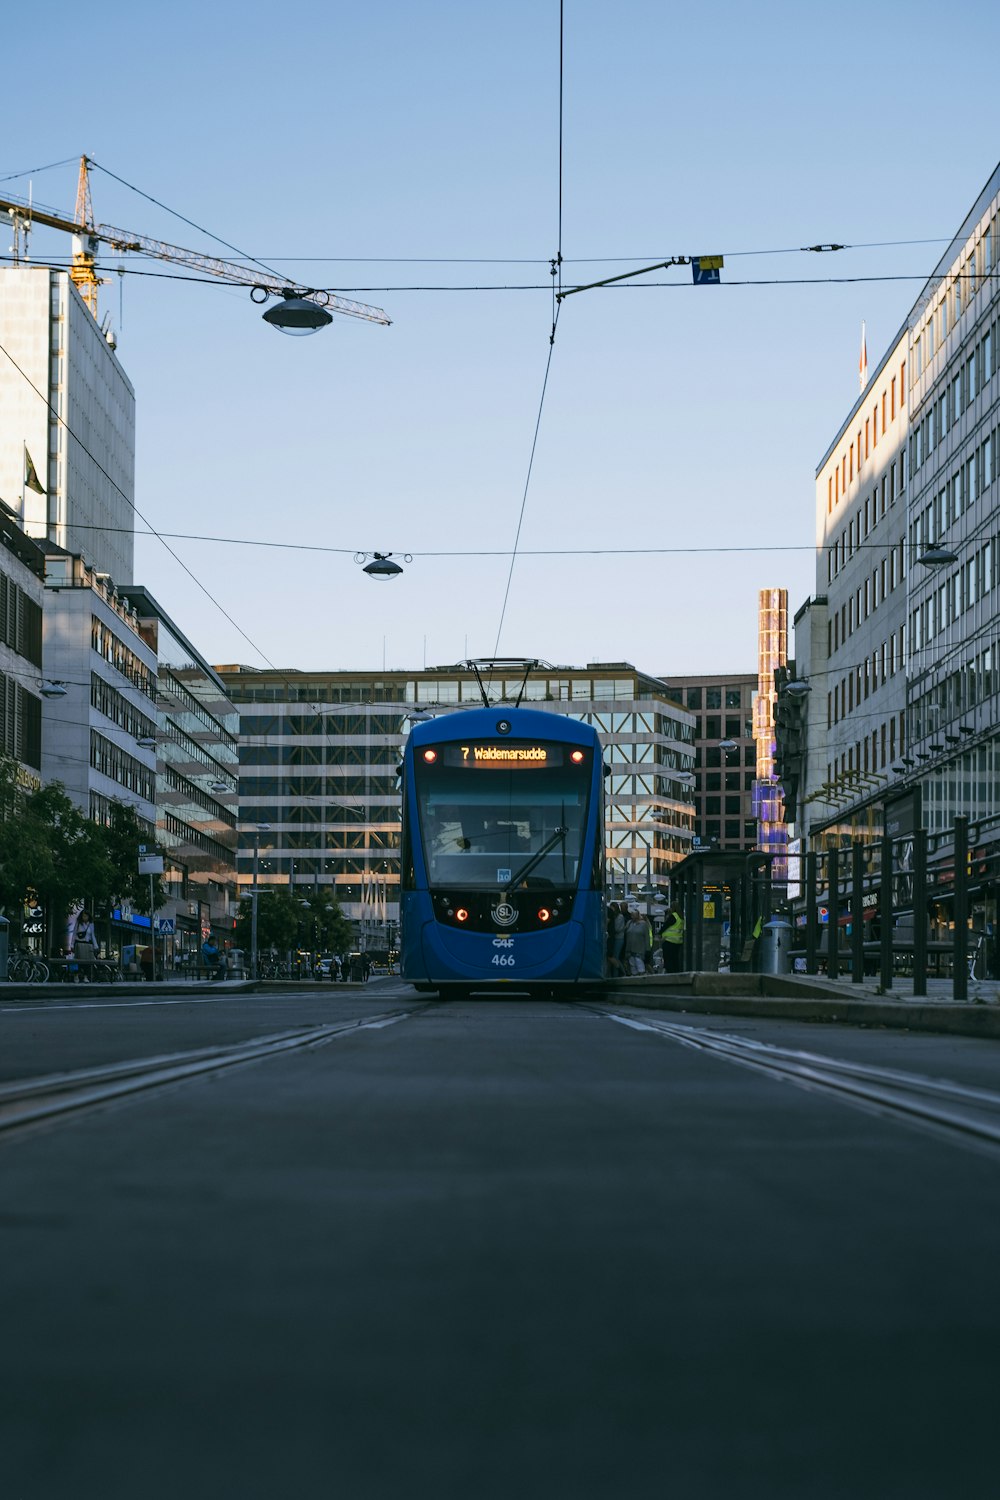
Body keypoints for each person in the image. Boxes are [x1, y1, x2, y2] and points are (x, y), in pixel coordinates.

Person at [72, 909, 97, 982]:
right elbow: (74, 933)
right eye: (83, 916)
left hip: (87, 944)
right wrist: (72, 945)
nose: (85, 917)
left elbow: (92, 935)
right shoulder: (78, 923)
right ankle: (76, 976)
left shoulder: (91, 924)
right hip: (79, 943)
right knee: (78, 961)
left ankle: (85, 977)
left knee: (88, 962)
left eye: (86, 916)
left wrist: (95, 946)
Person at [624, 907, 650, 975]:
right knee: (633, 967)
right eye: (632, 915)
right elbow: (625, 932)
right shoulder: (629, 923)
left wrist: (648, 949)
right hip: (630, 950)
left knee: (640, 966)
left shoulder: (643, 924)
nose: (632, 916)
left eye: (634, 914)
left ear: (638, 915)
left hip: (639, 950)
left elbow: (647, 937)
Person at [661, 905, 685, 973]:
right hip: (678, 942)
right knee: (675, 959)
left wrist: (659, 933)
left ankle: (670, 973)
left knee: (668, 959)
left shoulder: (674, 916)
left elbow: (666, 925)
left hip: (669, 940)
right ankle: (676, 973)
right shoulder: (681, 918)